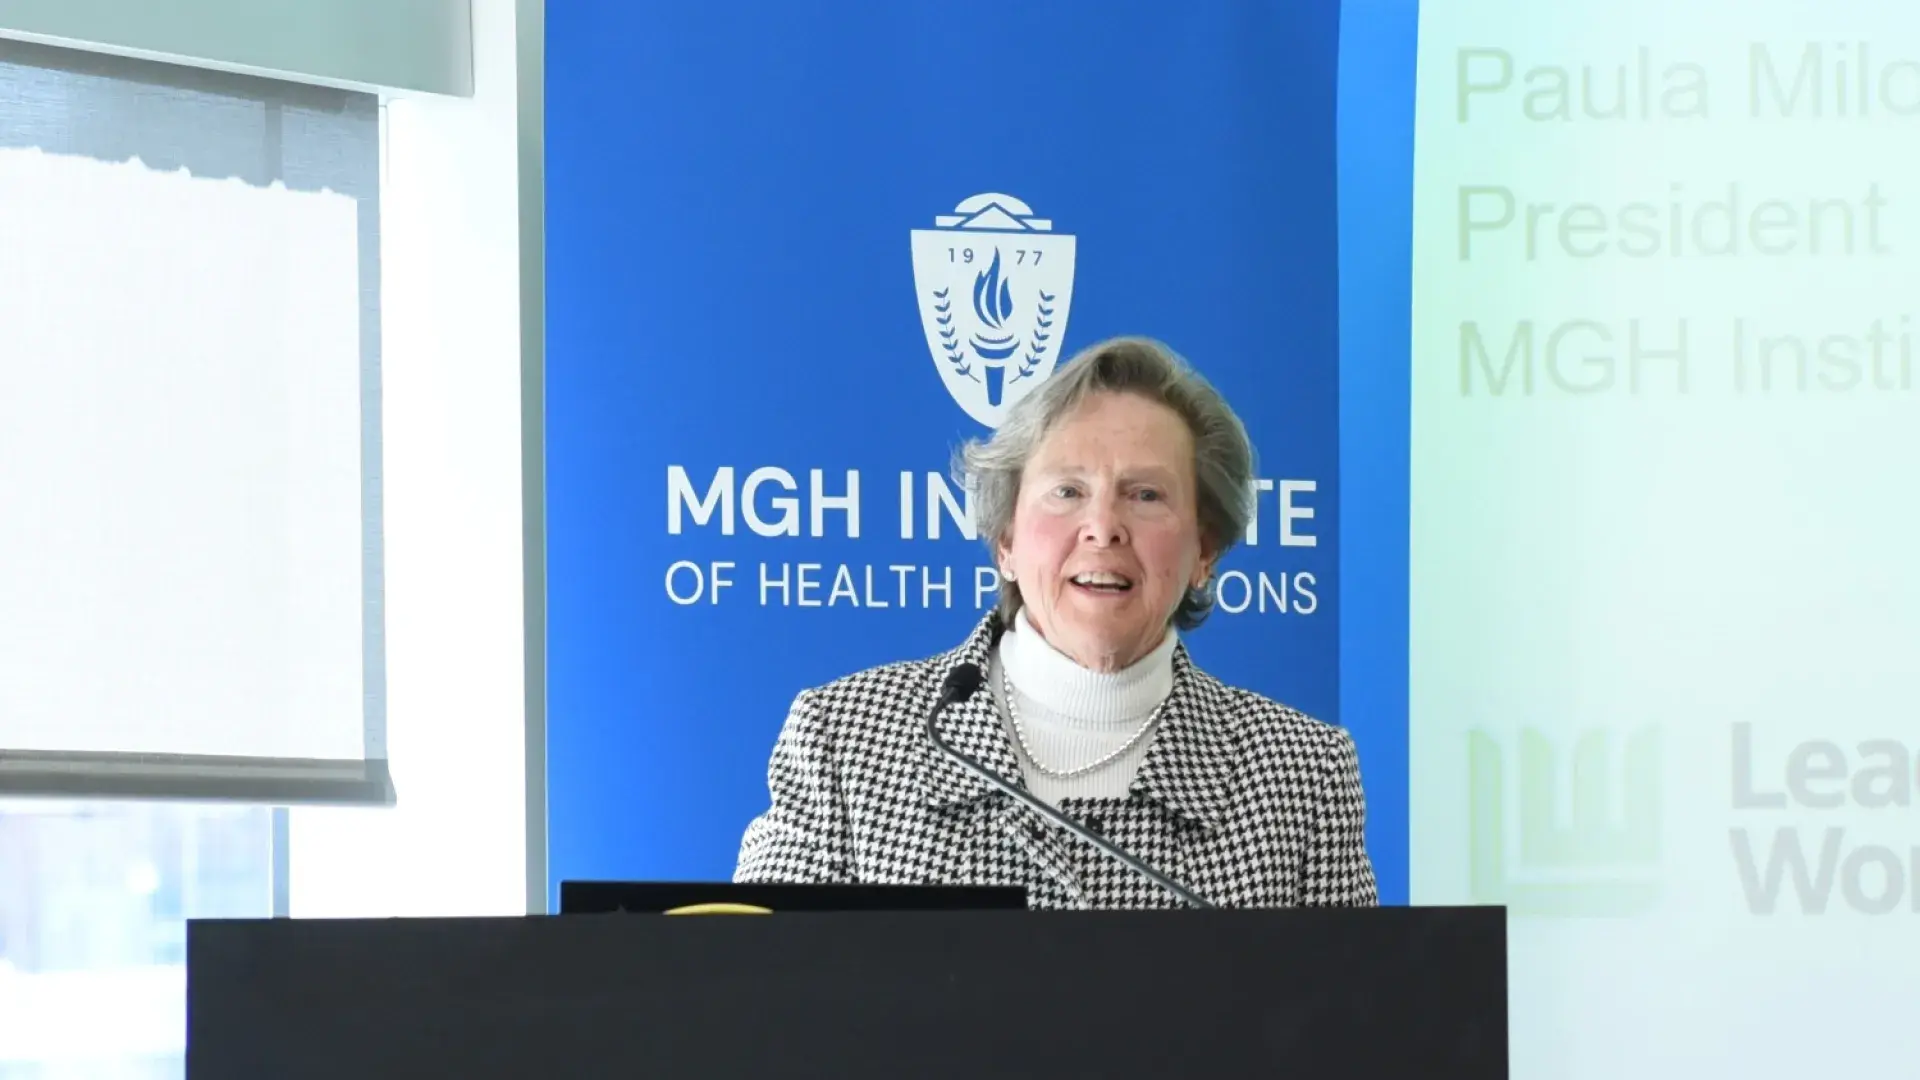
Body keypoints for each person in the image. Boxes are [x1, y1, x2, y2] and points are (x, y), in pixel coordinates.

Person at [734, 336, 1377, 909]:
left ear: (1204, 550)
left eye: (1145, 494)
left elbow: (1356, 1033)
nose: (1103, 526)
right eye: (1067, 491)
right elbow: (755, 1005)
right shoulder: (846, 743)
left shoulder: (1301, 775)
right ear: (1006, 539)